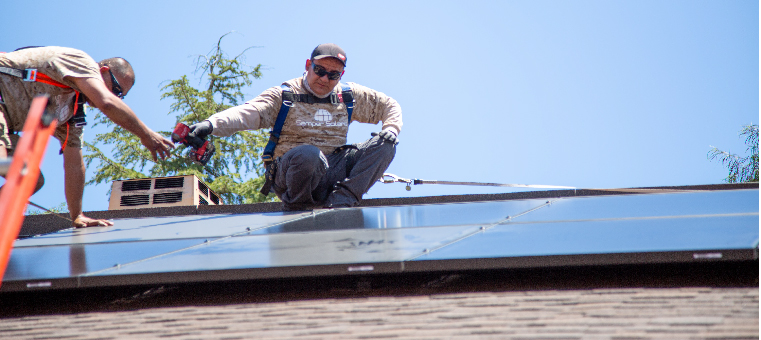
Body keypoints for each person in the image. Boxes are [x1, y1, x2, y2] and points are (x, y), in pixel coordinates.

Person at [189, 43, 402, 210]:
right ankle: (298, 207)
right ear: (308, 65)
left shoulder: (347, 96)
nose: (325, 78)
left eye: (333, 74)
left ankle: (342, 202)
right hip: (292, 173)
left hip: (332, 171)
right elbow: (247, 113)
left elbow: (389, 105)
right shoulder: (285, 96)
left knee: (385, 144)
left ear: (341, 76)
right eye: (319, 70)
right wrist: (209, 125)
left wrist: (392, 128)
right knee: (310, 155)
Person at [0, 46, 174, 227]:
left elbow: (74, 163)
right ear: (104, 70)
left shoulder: (72, 113)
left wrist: (77, 215)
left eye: (120, 96)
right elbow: (106, 102)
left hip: (4, 122)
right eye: (116, 90)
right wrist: (146, 135)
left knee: (29, 179)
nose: (115, 97)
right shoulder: (82, 62)